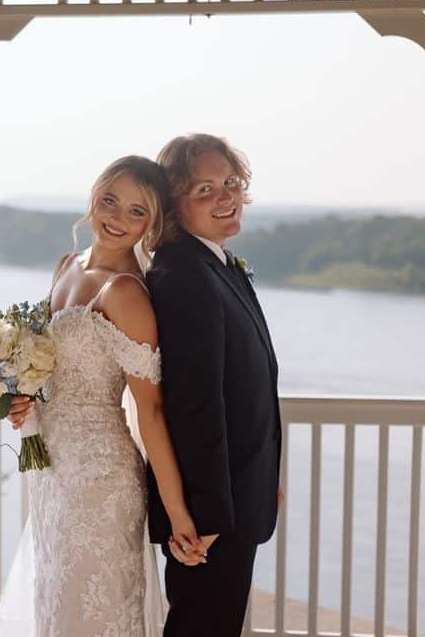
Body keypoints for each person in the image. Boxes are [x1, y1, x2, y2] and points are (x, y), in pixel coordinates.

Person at [0, 155, 203, 637]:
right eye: (111, 200)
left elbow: (149, 409)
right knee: (56, 604)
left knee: (93, 610)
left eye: (136, 211)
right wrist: (23, 399)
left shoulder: (126, 292)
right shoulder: (67, 266)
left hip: (100, 480)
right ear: (94, 196)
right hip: (50, 473)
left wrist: (176, 514)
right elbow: (50, 368)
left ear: (151, 224)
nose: (117, 218)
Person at [148, 133, 282, 637]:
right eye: (205, 190)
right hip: (209, 518)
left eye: (230, 183)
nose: (226, 197)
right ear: (173, 205)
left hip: (237, 491)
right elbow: (194, 405)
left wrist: (266, 473)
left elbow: (245, 389)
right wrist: (203, 513)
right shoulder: (184, 275)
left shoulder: (217, 263)